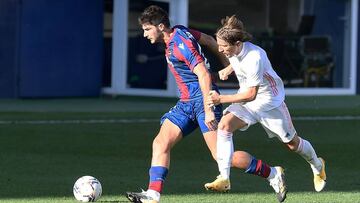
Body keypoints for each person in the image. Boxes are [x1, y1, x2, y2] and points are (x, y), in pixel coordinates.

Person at [126, 6, 287, 203]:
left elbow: (202, 73)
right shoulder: (181, 31)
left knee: (221, 156)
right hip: (186, 103)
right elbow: (210, 40)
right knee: (160, 142)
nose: (144, 34)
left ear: (161, 26)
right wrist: (231, 65)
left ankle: (272, 174)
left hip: (202, 100)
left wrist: (209, 108)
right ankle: (153, 195)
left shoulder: (180, 43)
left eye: (147, 29)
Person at [205, 15, 327, 200]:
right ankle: (224, 178)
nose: (220, 49)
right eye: (218, 45)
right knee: (225, 126)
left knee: (292, 144)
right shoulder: (237, 51)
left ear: (237, 43)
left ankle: (318, 166)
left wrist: (221, 98)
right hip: (247, 102)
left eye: (223, 46)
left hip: (270, 103)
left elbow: (251, 94)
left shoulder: (254, 57)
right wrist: (229, 69)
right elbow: (238, 63)